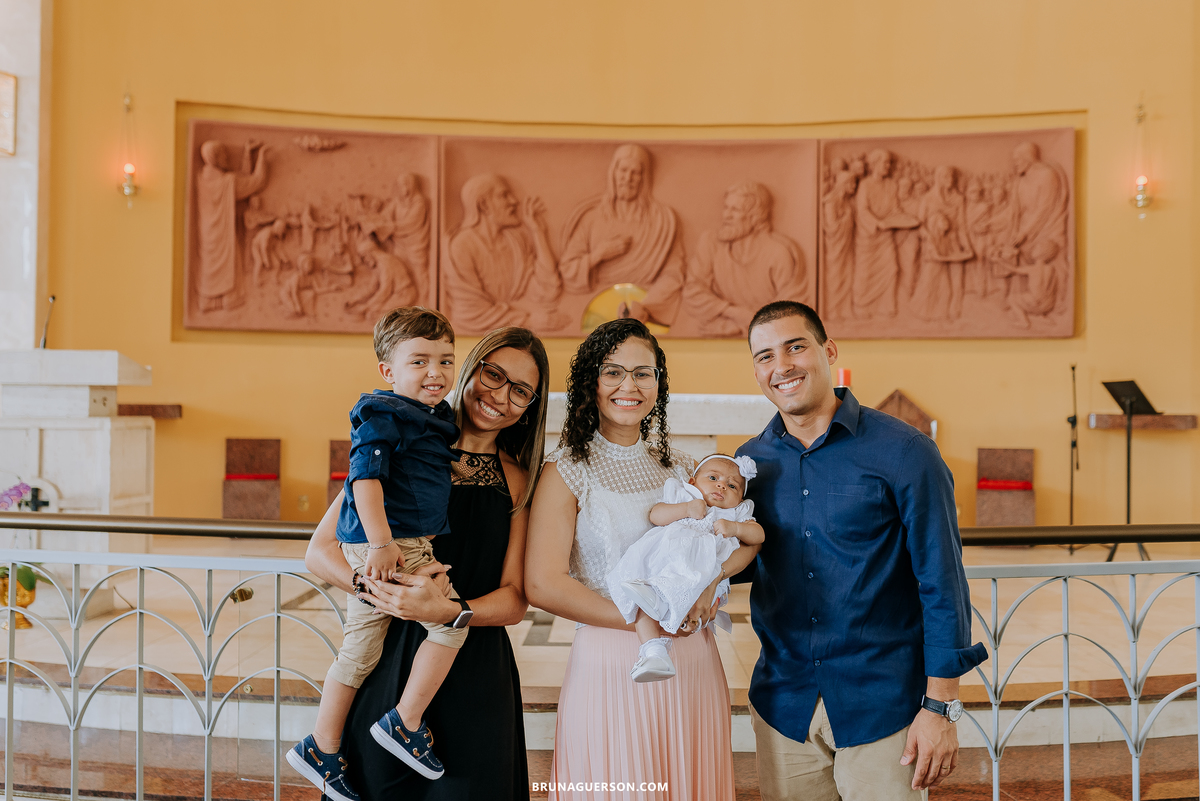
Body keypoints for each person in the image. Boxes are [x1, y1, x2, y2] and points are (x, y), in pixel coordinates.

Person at [735, 300, 987, 800]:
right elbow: (740, 563)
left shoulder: (904, 451)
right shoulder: (749, 464)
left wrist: (940, 706)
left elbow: (942, 581)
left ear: (828, 350)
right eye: (764, 356)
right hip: (785, 704)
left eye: (795, 347)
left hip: (882, 702)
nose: (781, 366)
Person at [306, 326, 549, 800]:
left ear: (531, 405)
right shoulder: (405, 445)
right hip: (389, 662)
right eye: (492, 374)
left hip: (475, 672)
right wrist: (380, 591)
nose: (500, 396)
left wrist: (448, 612)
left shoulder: (519, 479)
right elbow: (321, 549)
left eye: (520, 390)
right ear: (470, 368)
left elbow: (515, 599)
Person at [525, 318, 758, 800]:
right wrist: (646, 620)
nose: (628, 386)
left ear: (659, 382)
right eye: (613, 372)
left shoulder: (680, 466)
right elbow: (544, 584)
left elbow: (718, 545)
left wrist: (704, 594)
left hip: (692, 656)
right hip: (614, 659)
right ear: (591, 382)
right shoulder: (565, 469)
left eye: (643, 373)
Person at [289, 307, 465, 799]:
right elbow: (363, 481)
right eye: (420, 361)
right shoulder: (381, 414)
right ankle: (405, 723)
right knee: (450, 623)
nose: (436, 372)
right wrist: (384, 546)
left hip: (402, 539)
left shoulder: (432, 414)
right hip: (390, 539)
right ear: (388, 371)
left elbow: (418, 468)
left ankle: (321, 747)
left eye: (447, 361)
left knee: (360, 650)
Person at [607, 453, 763, 682]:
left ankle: (657, 639)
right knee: (642, 604)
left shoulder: (736, 514)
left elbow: (759, 536)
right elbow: (656, 515)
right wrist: (686, 509)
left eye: (732, 486)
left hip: (700, 573)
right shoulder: (684, 495)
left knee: (659, 598)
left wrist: (737, 529)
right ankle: (653, 652)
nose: (722, 485)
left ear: (740, 499)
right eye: (713, 477)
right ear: (693, 482)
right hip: (664, 565)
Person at [559, 144, 686, 327]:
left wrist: (645, 307)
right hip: (595, 315)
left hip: (642, 315)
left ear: (645, 178)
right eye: (623, 170)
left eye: (635, 172)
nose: (628, 179)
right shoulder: (592, 219)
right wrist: (598, 255)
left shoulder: (661, 222)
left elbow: (674, 274)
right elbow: (568, 269)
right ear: (613, 173)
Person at [679, 182, 808, 338]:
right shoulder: (710, 243)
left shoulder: (778, 254)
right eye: (726, 208)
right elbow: (693, 291)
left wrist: (741, 326)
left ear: (755, 216)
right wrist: (734, 313)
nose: (726, 215)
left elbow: (790, 313)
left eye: (735, 210)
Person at [444, 174, 565, 333]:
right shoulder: (461, 246)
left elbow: (546, 290)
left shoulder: (515, 242)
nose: (514, 201)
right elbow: (468, 312)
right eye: (504, 195)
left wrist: (538, 232)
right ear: (484, 205)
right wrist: (527, 320)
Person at [194, 139, 270, 311]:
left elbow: (241, 180)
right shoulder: (227, 181)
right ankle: (228, 299)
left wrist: (247, 154)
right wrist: (263, 156)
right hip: (223, 235)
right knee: (230, 264)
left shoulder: (201, 179)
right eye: (223, 154)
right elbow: (257, 181)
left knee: (208, 264)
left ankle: (207, 301)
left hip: (207, 234)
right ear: (215, 157)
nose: (227, 157)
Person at [852, 149, 919, 319]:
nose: (888, 166)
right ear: (875, 164)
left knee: (891, 269)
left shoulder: (891, 185)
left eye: (889, 163)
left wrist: (905, 219)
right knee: (866, 272)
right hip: (869, 236)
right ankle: (862, 306)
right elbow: (862, 210)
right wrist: (877, 223)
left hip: (886, 235)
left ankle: (886, 307)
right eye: (885, 163)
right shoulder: (865, 185)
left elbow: (894, 209)